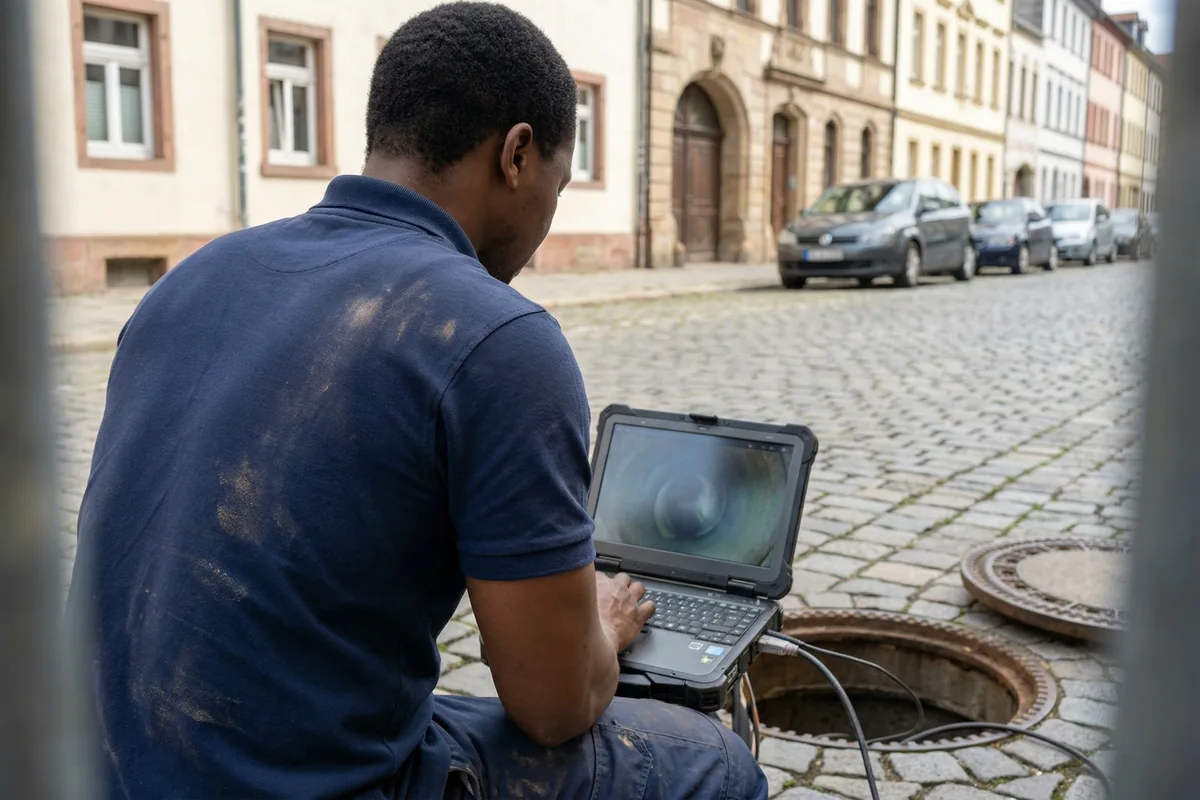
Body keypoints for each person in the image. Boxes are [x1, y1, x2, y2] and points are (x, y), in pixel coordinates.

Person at [66, 3, 768, 798]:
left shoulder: (191, 279)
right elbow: (555, 704)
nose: (549, 216)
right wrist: (598, 629)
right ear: (517, 154)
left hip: (93, 768)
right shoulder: (496, 337)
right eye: (559, 185)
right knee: (716, 762)